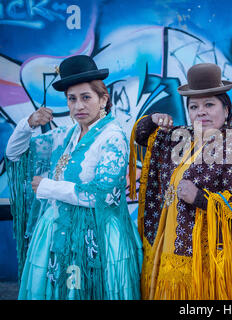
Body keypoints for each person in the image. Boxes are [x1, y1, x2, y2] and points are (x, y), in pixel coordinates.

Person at [5, 55, 143, 299]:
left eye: (86, 97)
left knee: (92, 290)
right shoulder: (66, 135)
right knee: (68, 289)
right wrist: (28, 123)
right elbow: (14, 153)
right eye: (72, 99)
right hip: (62, 233)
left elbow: (103, 195)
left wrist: (49, 187)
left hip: (99, 238)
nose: (78, 106)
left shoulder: (112, 137)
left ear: (103, 99)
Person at [129, 63, 232, 300]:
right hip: (169, 247)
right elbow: (141, 135)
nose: (201, 112)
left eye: (209, 104)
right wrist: (153, 119)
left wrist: (200, 198)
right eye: (194, 106)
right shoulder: (180, 138)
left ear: (226, 110)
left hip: (206, 259)